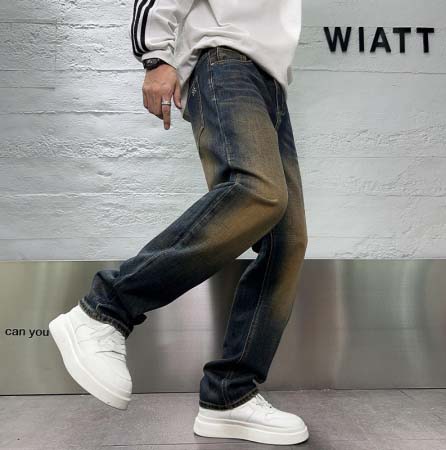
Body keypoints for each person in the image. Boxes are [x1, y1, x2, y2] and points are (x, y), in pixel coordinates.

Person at [49, 0, 309, 445]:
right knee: (258, 190)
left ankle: (230, 395)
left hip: (272, 81)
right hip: (225, 60)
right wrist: (155, 55)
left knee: (287, 241)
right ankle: (105, 309)